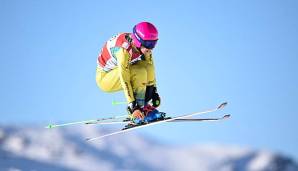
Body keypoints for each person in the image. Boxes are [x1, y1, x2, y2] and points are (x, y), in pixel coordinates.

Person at [96, 22, 162, 124]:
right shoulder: (123, 50)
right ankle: (137, 111)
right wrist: (133, 106)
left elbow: (150, 66)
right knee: (139, 72)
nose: (151, 48)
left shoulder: (143, 47)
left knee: (146, 67)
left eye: (154, 43)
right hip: (105, 79)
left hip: (118, 72)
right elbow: (124, 78)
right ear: (138, 41)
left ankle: (144, 107)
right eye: (149, 44)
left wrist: (153, 91)